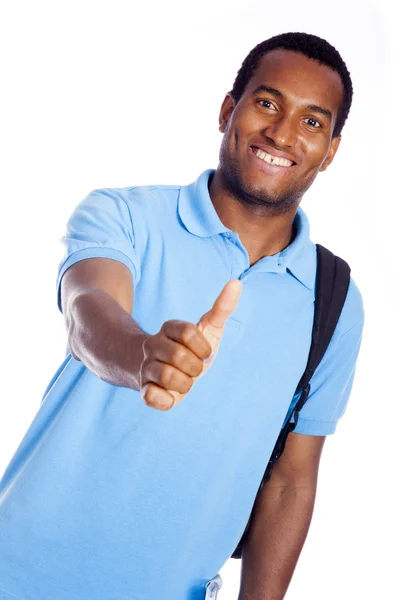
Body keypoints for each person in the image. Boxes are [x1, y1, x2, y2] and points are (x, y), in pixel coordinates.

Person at [0, 32, 364, 600]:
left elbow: (293, 479)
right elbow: (87, 312)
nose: (283, 134)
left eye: (313, 122)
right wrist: (143, 354)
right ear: (229, 110)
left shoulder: (335, 301)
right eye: (267, 103)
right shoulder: (124, 214)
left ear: (332, 150)